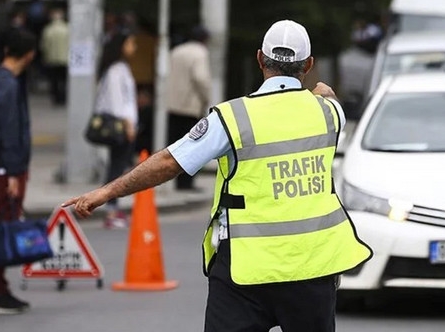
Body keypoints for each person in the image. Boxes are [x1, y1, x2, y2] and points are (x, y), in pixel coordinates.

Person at [63, 19, 373, 331]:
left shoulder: (232, 118)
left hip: (245, 270)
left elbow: (170, 162)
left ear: (259, 59)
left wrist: (105, 193)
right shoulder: (329, 113)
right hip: (312, 269)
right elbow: (329, 97)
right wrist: (323, 93)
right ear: (308, 64)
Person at [0, 29, 36, 315]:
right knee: (4, 226)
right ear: (29, 54)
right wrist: (14, 172)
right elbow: (9, 131)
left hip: (2, 165)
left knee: (5, 222)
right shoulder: (8, 85)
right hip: (6, 167)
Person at [92, 32, 138, 229]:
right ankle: (111, 209)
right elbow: (117, 101)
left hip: (125, 124)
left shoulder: (121, 68)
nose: (133, 46)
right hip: (120, 126)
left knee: (118, 165)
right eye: (130, 42)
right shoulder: (115, 70)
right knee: (116, 167)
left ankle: (113, 207)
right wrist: (128, 125)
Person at [165, 25, 211, 191]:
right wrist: (206, 97)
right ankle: (187, 183)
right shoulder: (200, 53)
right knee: (193, 145)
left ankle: (177, 181)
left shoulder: (176, 51)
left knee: (176, 145)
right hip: (190, 105)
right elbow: (200, 77)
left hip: (173, 104)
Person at [41, 9, 69, 106]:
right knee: (64, 80)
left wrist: (46, 56)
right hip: (65, 59)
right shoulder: (67, 29)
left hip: (52, 59)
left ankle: (56, 98)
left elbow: (45, 45)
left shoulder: (48, 30)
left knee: (54, 80)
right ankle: (63, 97)